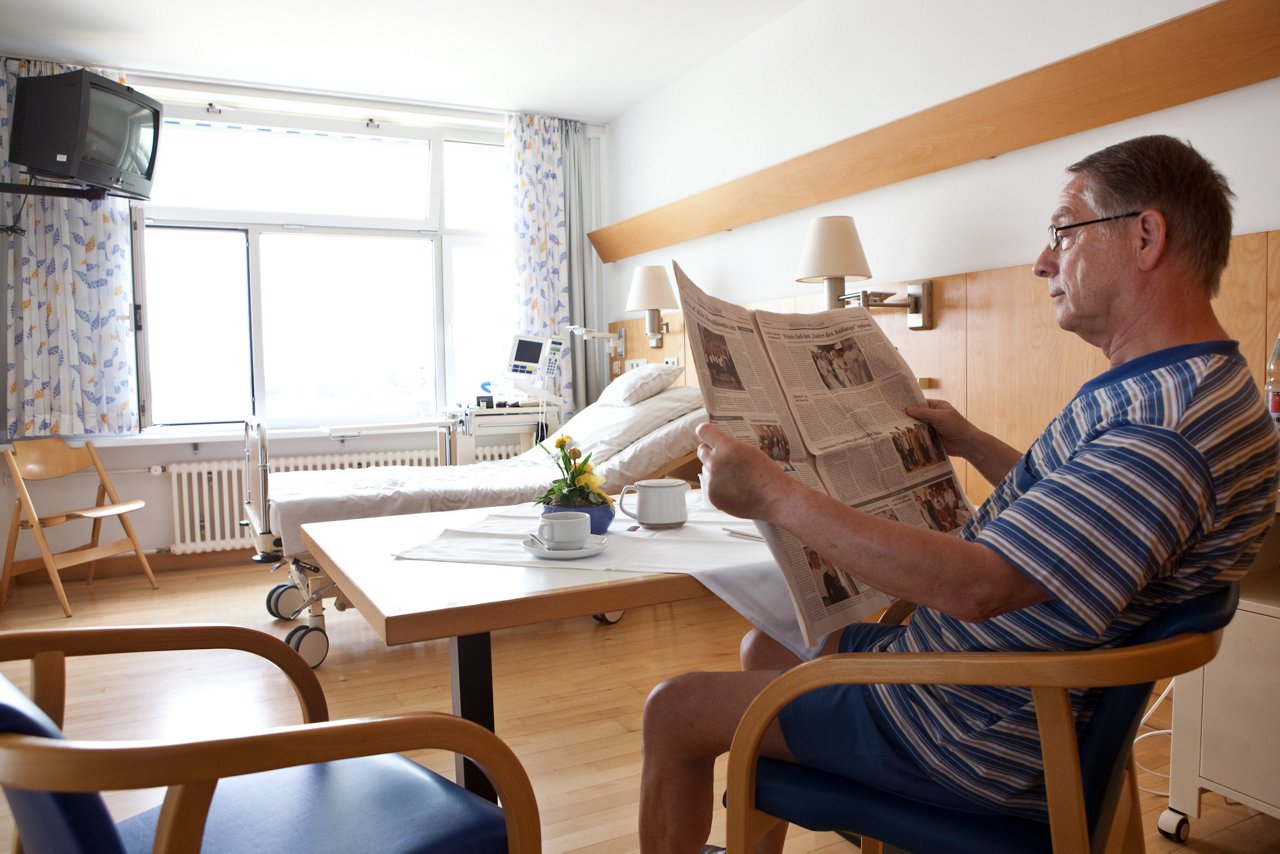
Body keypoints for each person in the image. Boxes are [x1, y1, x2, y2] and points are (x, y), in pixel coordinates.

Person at [638, 134, 1280, 854]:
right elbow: (1079, 527)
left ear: (1145, 235)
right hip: (997, 692)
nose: (1043, 261)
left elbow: (981, 589)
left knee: (673, 710)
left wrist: (775, 495)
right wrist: (970, 441)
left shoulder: (1167, 427)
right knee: (769, 646)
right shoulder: (1183, 389)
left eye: (1063, 231)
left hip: (978, 724)